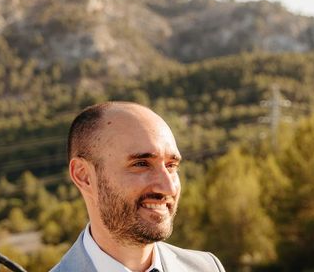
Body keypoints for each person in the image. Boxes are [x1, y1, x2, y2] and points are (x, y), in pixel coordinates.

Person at [50, 101, 225, 272]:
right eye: (141, 164)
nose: (168, 188)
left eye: (171, 166)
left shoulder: (207, 267)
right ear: (84, 176)